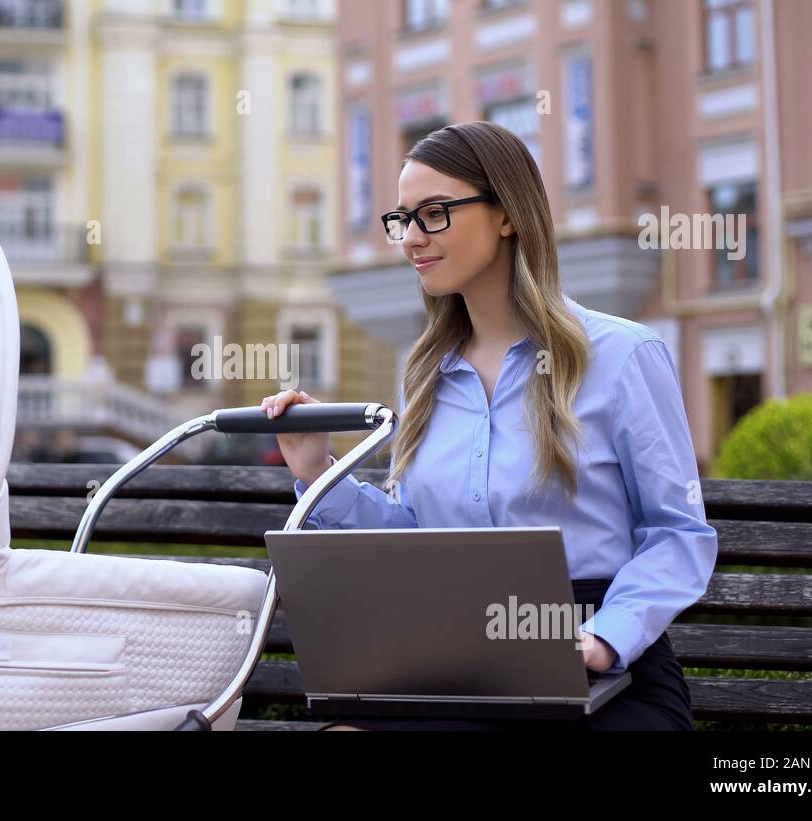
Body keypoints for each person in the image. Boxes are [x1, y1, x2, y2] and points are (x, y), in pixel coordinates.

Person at [260, 121, 718, 731]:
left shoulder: (624, 355)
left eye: (436, 213)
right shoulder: (425, 374)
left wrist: (602, 641)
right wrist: (318, 470)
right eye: (403, 219)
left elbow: (677, 534)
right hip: (461, 661)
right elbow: (418, 542)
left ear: (507, 214)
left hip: (609, 669)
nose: (412, 238)